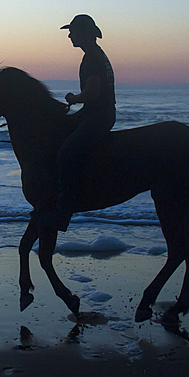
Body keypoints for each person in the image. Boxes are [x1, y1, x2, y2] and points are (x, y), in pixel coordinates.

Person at [51, 14, 115, 231]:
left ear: (85, 34)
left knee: (66, 152)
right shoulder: (95, 55)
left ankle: (65, 208)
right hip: (95, 113)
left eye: (73, 31)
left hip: (98, 116)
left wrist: (73, 99)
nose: (69, 35)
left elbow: (92, 92)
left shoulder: (92, 58)